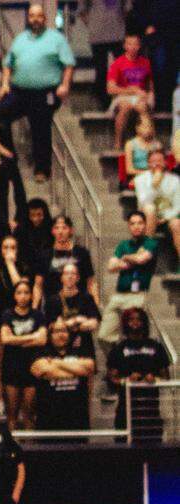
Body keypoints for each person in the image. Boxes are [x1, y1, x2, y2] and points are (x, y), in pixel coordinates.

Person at [0, 3, 75, 181]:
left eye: (39, 16)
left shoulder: (56, 38)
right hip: (19, 91)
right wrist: (5, 84)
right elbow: (8, 64)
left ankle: (42, 169)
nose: (35, 19)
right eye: (32, 16)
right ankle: (9, 156)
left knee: (40, 126)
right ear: (28, 18)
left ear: (45, 18)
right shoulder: (20, 38)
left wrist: (65, 85)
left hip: (45, 92)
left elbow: (68, 64)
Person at [101, 211, 158, 366]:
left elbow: (142, 259)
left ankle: (131, 366)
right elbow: (111, 266)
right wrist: (131, 258)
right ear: (128, 226)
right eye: (133, 223)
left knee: (133, 336)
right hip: (119, 294)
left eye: (140, 223)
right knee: (104, 335)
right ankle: (117, 364)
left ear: (145, 225)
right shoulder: (123, 245)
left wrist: (125, 258)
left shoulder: (150, 243)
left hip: (138, 294)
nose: (136, 226)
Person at [107, 306, 171, 442]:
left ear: (144, 322)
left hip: (150, 410)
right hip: (126, 411)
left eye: (139, 319)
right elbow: (112, 378)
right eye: (131, 319)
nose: (135, 322)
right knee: (126, 454)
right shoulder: (119, 348)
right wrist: (127, 380)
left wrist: (154, 379)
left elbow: (166, 377)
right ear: (125, 323)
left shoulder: (156, 346)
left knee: (153, 452)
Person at [0, 278, 47, 431]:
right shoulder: (7, 314)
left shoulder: (38, 315)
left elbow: (43, 340)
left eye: (26, 292)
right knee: (11, 415)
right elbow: (5, 339)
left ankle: (30, 451)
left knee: (29, 414)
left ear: (31, 295)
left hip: (32, 366)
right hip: (11, 367)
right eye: (19, 292)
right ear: (14, 295)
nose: (23, 296)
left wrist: (16, 340)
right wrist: (32, 337)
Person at [31, 320, 96, 431]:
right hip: (48, 420)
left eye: (64, 331)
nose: (60, 335)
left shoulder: (81, 351)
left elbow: (89, 369)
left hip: (77, 419)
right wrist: (76, 371)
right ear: (50, 335)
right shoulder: (40, 352)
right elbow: (43, 371)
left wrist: (57, 363)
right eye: (56, 331)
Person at [106, 32, 154, 152]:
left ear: (139, 46)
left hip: (140, 97)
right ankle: (118, 142)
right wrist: (131, 90)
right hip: (122, 96)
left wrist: (149, 96)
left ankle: (147, 141)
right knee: (125, 107)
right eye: (129, 44)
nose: (132, 47)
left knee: (142, 107)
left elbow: (150, 86)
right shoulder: (118, 63)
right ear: (125, 46)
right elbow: (110, 89)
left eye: (135, 44)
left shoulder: (145, 63)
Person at [133, 149, 180, 260]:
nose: (157, 164)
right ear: (148, 164)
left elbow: (178, 205)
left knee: (177, 223)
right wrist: (154, 185)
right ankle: (146, 252)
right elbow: (143, 202)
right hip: (147, 215)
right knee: (150, 209)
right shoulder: (140, 179)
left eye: (160, 161)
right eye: (153, 161)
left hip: (168, 216)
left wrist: (165, 218)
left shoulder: (175, 180)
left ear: (165, 163)